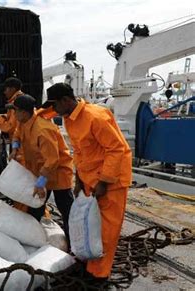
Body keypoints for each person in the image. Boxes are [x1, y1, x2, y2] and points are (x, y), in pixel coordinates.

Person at [44, 83, 132, 282]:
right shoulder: (70, 120)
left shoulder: (95, 117)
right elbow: (80, 152)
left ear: (66, 101)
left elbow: (116, 150)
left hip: (112, 181)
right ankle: (89, 264)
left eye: (55, 105)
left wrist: (104, 182)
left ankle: (99, 274)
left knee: (107, 231)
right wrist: (79, 180)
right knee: (90, 226)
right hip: (91, 180)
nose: (54, 110)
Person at [10, 94, 74, 242]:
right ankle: (34, 239)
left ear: (24, 112)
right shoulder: (24, 122)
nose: (14, 114)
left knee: (66, 209)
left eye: (16, 111)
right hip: (41, 172)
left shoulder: (42, 130)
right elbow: (17, 135)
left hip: (58, 173)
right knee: (35, 206)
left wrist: (40, 183)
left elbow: (52, 160)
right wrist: (14, 148)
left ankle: (73, 245)